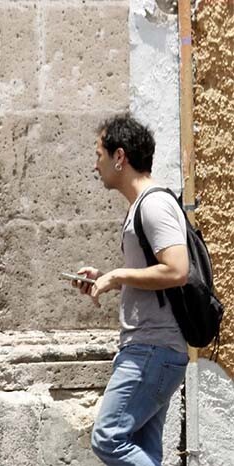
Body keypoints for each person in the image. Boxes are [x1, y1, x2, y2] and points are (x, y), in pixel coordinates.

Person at [72, 114, 189, 465]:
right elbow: (155, 274)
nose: (96, 165)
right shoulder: (142, 206)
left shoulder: (154, 204)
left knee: (108, 438)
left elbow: (177, 269)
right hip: (153, 349)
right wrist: (104, 277)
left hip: (152, 350)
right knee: (144, 448)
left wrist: (119, 276)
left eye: (99, 155)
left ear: (119, 157)